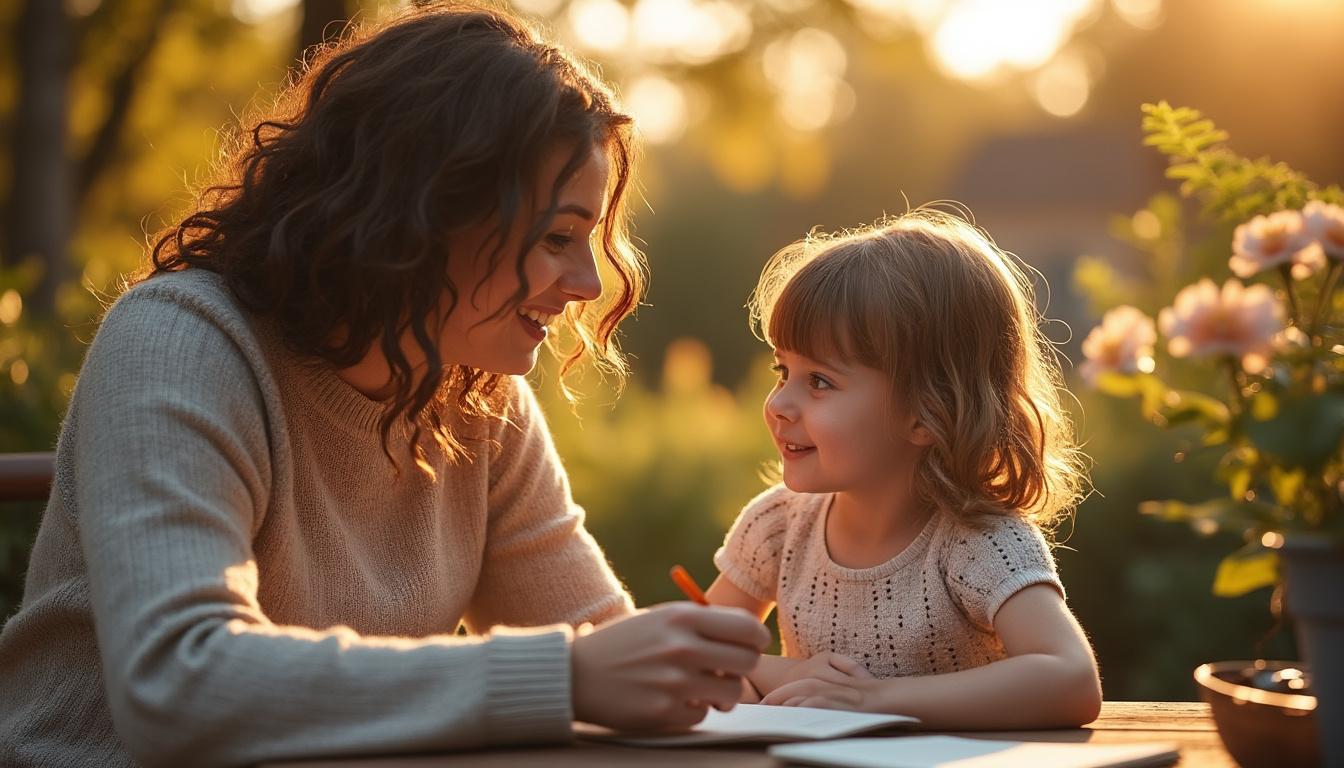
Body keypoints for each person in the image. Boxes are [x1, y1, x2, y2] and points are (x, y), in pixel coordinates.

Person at [0, 4, 768, 766]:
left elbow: (599, 649)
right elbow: (178, 685)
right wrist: (564, 678)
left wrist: (762, 679)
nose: (589, 283)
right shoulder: (181, 342)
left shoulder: (477, 398)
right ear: (424, 212)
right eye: (558, 236)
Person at [705, 209, 1102, 729]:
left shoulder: (977, 542)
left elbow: (1071, 679)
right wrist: (780, 673)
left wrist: (872, 699)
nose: (778, 404)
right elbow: (693, 657)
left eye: (819, 381)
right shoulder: (777, 526)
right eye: (783, 371)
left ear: (927, 413)